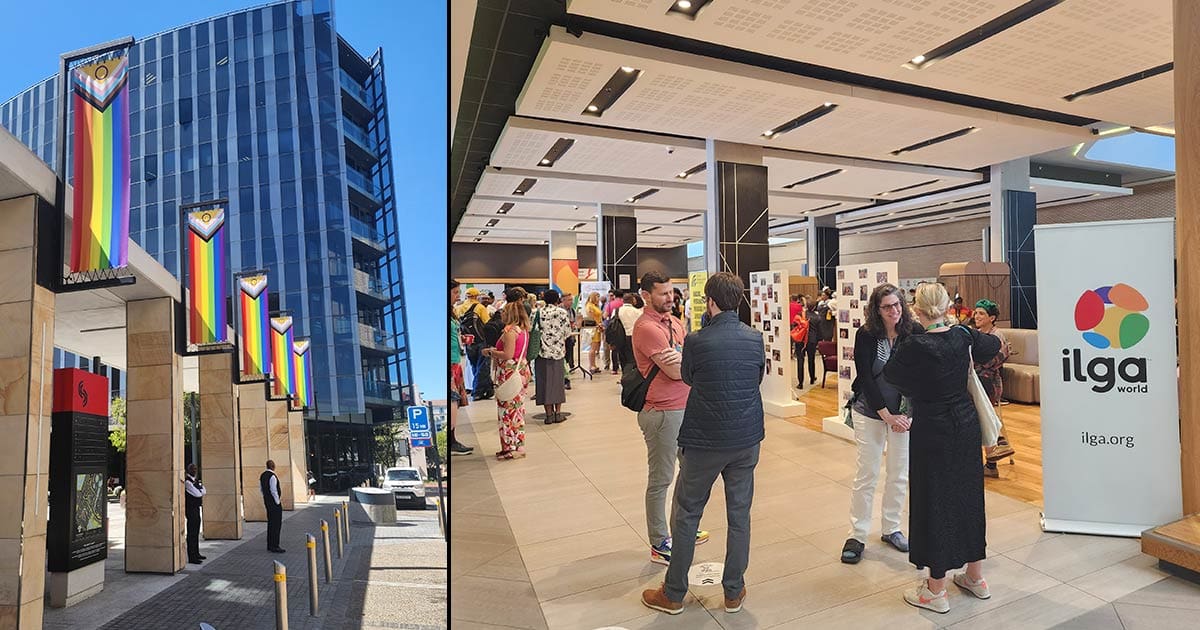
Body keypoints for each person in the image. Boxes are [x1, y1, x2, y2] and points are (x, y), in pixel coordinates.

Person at [641, 272, 764, 616]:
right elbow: (757, 377)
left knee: (687, 513)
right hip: (746, 439)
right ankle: (734, 591)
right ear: (738, 300)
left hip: (704, 440)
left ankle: (674, 592)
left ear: (709, 302)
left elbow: (689, 377)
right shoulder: (754, 338)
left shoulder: (697, 340)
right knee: (740, 514)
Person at [884, 283, 1001, 613]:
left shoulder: (914, 344)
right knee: (968, 495)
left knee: (933, 499)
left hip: (932, 426)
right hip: (965, 423)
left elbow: (893, 376)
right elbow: (992, 344)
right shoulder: (963, 336)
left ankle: (935, 590)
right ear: (948, 305)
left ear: (915, 309)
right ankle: (975, 576)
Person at [631, 271, 708, 566]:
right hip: (662, 412)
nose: (670, 297)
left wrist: (683, 358)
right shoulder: (647, 327)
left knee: (687, 473)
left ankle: (682, 529)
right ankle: (659, 541)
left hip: (685, 406)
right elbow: (677, 370)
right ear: (646, 296)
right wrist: (684, 360)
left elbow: (689, 359)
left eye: (671, 292)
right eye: (663, 293)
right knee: (661, 479)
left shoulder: (675, 322)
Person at [841, 284, 922, 564]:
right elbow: (864, 377)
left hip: (904, 415)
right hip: (871, 411)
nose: (894, 311)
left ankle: (892, 528)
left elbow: (919, 376)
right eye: (887, 306)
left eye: (898, 304)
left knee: (899, 473)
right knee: (867, 473)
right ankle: (858, 533)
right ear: (877, 309)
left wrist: (908, 414)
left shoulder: (914, 333)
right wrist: (886, 414)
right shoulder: (866, 335)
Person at [483, 292, 532, 460]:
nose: (501, 314)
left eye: (504, 312)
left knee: (508, 410)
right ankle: (513, 445)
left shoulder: (510, 331)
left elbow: (508, 354)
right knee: (516, 409)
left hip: (510, 371)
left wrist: (491, 352)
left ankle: (513, 446)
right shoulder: (523, 330)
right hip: (521, 369)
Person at [972, 298, 1016, 478]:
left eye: (981, 313)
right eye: (976, 312)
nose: (977, 316)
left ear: (992, 317)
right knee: (981, 420)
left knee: (986, 420)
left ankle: (992, 463)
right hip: (975, 382)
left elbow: (994, 361)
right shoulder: (976, 333)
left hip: (989, 383)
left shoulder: (997, 336)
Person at [534, 290, 571, 424]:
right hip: (558, 351)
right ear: (557, 300)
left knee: (544, 383)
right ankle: (558, 413)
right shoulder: (561, 312)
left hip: (541, 352)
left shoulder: (537, 312)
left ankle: (548, 415)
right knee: (557, 383)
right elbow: (567, 332)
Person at [449, 280, 475, 455]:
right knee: (453, 400)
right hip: (451, 363)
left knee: (455, 401)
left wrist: (463, 339)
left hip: (456, 360)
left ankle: (452, 440)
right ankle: (452, 442)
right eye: (456, 292)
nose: (458, 296)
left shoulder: (453, 312)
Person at [457, 287, 493, 400]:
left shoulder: (459, 308)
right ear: (477, 296)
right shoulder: (479, 307)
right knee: (483, 366)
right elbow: (487, 323)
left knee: (474, 366)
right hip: (481, 340)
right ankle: (477, 392)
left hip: (468, 341)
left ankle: (488, 390)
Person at [616, 291, 644, 372]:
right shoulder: (637, 312)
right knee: (634, 359)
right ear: (632, 300)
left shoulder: (617, 311)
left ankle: (625, 375)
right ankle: (633, 377)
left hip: (621, 337)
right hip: (635, 336)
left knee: (623, 359)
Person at [184, 463, 206, 564]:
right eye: (192, 469)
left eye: (195, 468)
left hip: (196, 509)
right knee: (192, 533)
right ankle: (192, 556)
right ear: (188, 470)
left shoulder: (195, 481)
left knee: (196, 532)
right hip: (191, 509)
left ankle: (196, 553)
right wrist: (200, 489)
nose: (194, 470)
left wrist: (200, 489)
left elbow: (204, 491)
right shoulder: (188, 482)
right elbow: (198, 494)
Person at [261, 460, 285, 553]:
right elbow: (274, 490)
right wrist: (277, 502)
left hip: (267, 502)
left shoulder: (262, 475)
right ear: (273, 466)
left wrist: (265, 498)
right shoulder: (272, 476)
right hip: (274, 504)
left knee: (270, 523)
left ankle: (269, 544)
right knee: (276, 524)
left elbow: (261, 489)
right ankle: (275, 545)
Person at [603, 290, 624, 372]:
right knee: (623, 348)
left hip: (613, 328)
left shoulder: (610, 304)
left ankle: (614, 368)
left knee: (614, 348)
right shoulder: (624, 303)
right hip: (623, 327)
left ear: (614, 296)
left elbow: (605, 315)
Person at [585, 292, 605, 373]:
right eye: (597, 297)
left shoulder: (595, 306)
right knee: (593, 348)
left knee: (596, 347)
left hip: (598, 328)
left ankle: (594, 364)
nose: (598, 299)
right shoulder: (589, 306)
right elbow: (591, 318)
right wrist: (598, 325)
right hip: (593, 329)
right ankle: (591, 365)